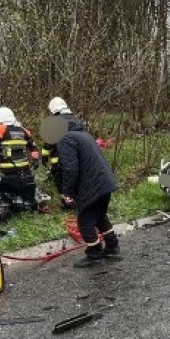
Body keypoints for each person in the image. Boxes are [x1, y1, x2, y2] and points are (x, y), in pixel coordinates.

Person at [49, 97, 121, 267]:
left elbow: (70, 168)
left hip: (92, 185)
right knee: (100, 216)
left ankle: (94, 254)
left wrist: (67, 192)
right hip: (105, 182)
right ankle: (112, 246)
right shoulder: (82, 132)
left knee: (85, 221)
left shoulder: (65, 137)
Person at [0, 107, 43, 211]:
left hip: (8, 170)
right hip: (25, 169)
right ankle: (27, 203)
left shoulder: (1, 129)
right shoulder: (24, 130)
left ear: (0, 118)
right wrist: (35, 161)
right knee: (27, 186)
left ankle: (9, 203)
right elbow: (33, 147)